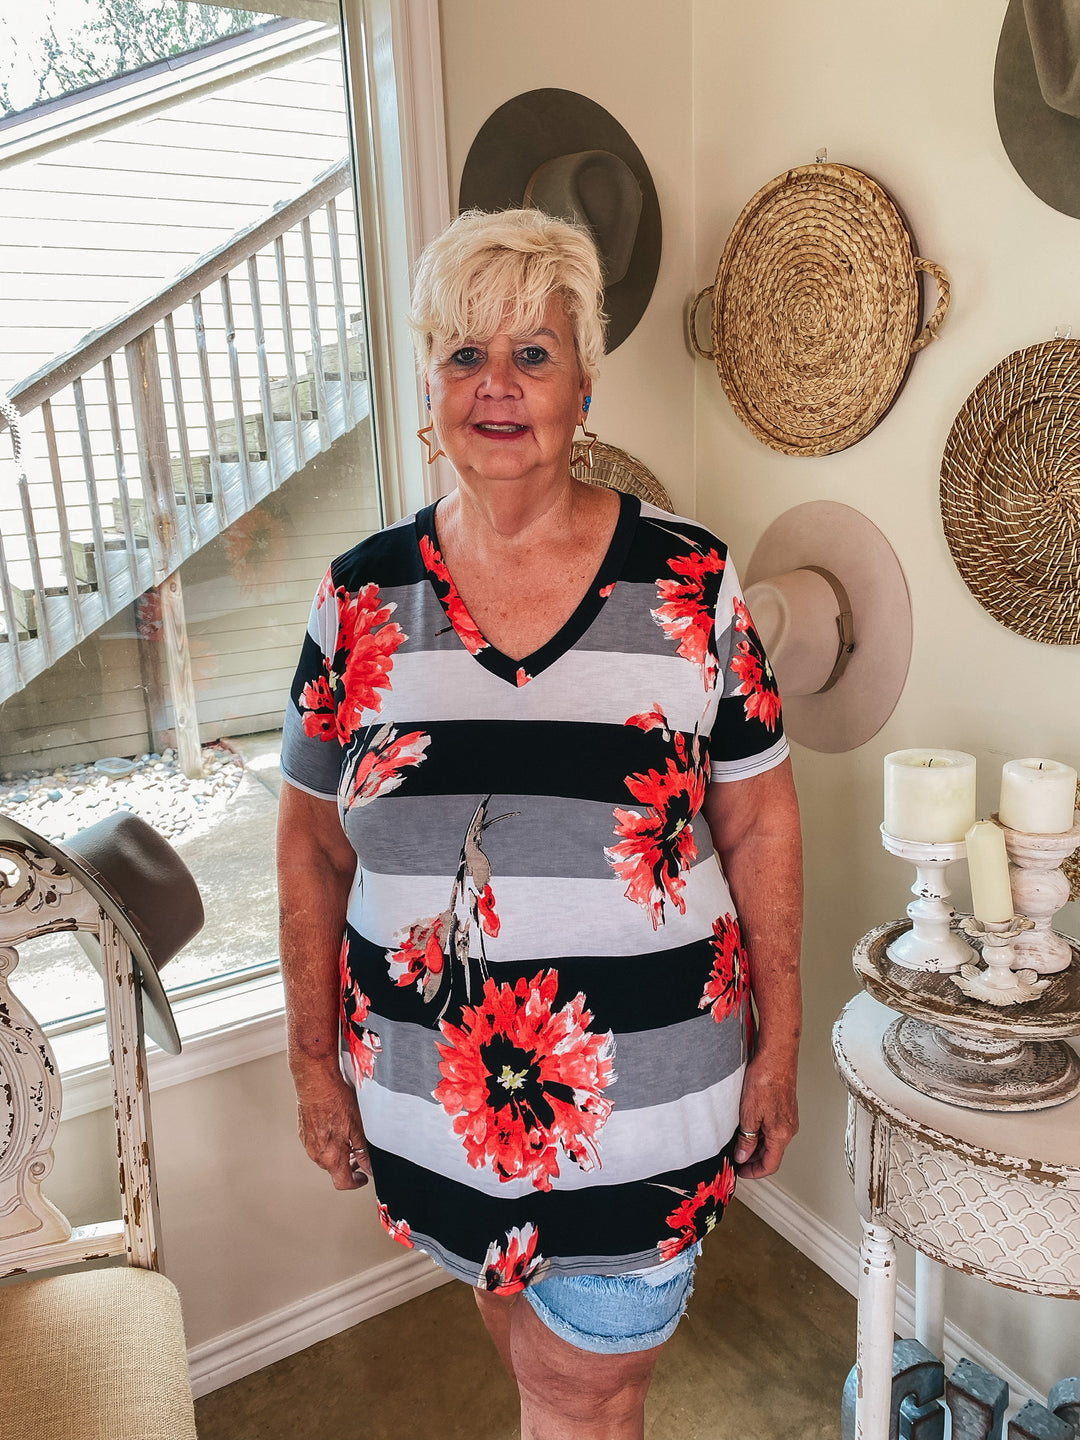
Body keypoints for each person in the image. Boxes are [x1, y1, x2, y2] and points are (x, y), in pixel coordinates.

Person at [277, 207, 802, 1440]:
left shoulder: (692, 586)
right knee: (522, 1335)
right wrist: (313, 1064)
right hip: (430, 1101)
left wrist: (777, 1048)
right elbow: (309, 842)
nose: (498, 388)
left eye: (533, 354)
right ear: (429, 381)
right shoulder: (358, 599)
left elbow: (764, 822)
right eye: (467, 356)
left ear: (584, 386)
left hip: (649, 1107)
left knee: (578, 1390)